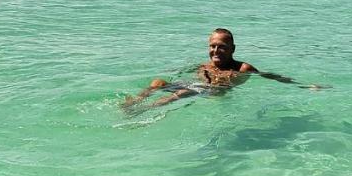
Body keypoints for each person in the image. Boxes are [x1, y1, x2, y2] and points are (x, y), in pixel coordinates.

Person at [121, 28, 316, 111]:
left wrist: (303, 86)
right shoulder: (204, 66)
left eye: (222, 46)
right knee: (158, 82)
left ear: (232, 49)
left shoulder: (242, 67)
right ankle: (136, 101)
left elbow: (271, 76)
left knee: (183, 92)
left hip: (215, 92)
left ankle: (145, 110)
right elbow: (182, 73)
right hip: (198, 85)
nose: (216, 50)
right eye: (212, 46)